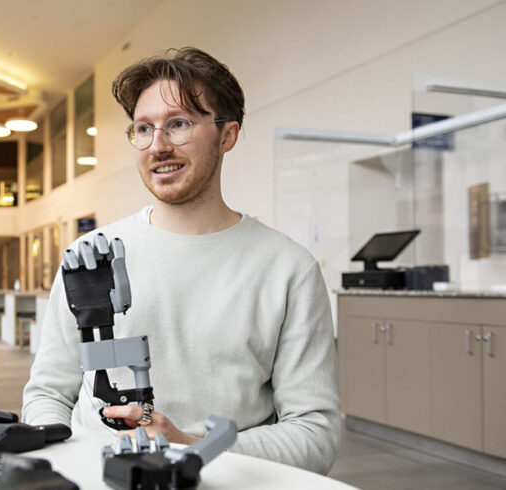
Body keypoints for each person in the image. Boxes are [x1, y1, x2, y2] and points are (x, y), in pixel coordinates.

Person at [23, 47, 341, 474]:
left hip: (223, 481)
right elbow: (48, 394)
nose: (158, 146)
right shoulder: (90, 255)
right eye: (143, 128)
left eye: (179, 124)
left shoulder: (287, 269)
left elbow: (315, 434)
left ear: (227, 135)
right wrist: (61, 468)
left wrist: (193, 447)